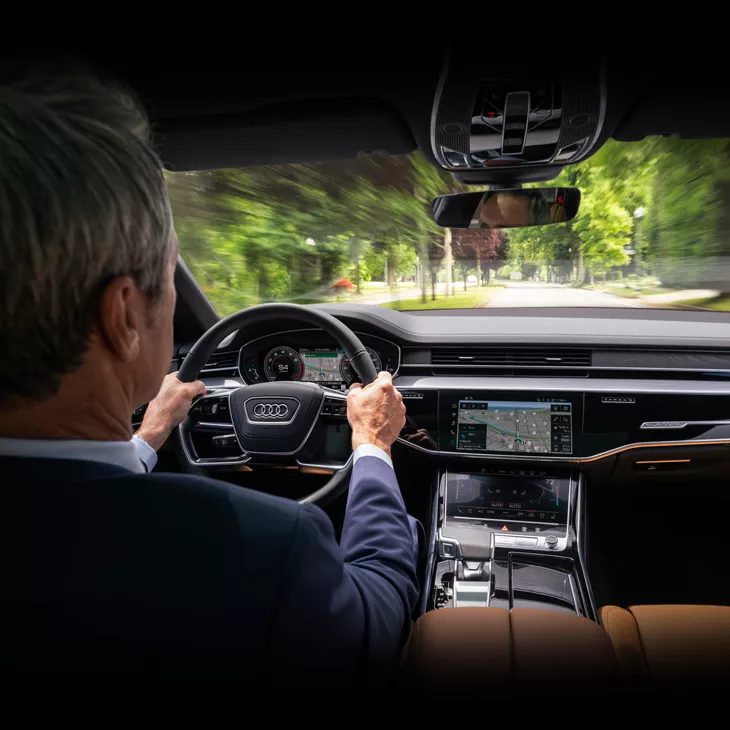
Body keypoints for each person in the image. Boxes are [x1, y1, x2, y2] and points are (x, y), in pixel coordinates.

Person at [0, 74, 418, 684]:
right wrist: (374, 449)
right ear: (123, 317)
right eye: (170, 278)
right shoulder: (266, 551)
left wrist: (146, 437)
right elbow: (377, 620)